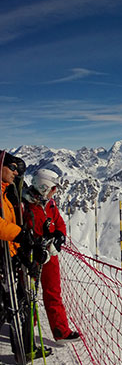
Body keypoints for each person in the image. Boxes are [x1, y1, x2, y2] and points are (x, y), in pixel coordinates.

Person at [0, 152, 51, 361]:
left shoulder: (6, 192)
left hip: (8, 255)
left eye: (18, 171)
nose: (16, 173)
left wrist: (21, 247)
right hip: (3, 258)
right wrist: (21, 235)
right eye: (13, 168)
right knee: (7, 307)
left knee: (14, 306)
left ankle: (23, 349)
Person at [25, 168, 79, 342]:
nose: (55, 192)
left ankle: (60, 331)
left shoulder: (50, 204)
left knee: (53, 292)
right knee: (28, 293)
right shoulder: (26, 206)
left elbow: (59, 222)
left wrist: (59, 236)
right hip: (31, 256)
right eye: (53, 188)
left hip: (50, 255)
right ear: (43, 187)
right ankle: (27, 326)